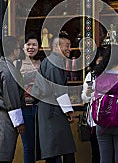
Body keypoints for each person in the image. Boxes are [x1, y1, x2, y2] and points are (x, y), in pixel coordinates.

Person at [15, 32, 62, 163]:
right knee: (28, 146)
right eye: (28, 44)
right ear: (22, 47)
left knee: (49, 145)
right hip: (25, 110)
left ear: (39, 47)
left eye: (34, 44)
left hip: (43, 109)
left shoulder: (43, 63)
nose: (31, 47)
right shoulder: (16, 64)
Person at [31, 32, 76, 163]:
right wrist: (69, 111)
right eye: (66, 46)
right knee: (61, 149)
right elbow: (59, 90)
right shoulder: (54, 63)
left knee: (55, 150)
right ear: (56, 47)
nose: (69, 49)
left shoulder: (53, 61)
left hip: (51, 109)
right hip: (51, 111)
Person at [81, 46, 106, 163]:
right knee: (96, 152)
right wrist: (88, 92)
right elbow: (84, 98)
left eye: (103, 61)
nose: (100, 64)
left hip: (109, 119)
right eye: (99, 61)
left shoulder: (112, 75)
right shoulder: (90, 76)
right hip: (94, 120)